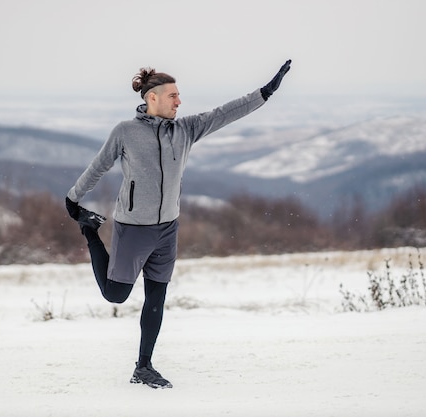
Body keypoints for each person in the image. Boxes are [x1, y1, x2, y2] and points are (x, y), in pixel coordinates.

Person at [65, 60, 292, 389]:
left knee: (156, 298)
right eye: (173, 95)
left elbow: (223, 113)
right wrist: (73, 200)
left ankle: (143, 366)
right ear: (152, 98)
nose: (179, 101)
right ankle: (90, 233)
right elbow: (99, 166)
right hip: (133, 228)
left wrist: (265, 93)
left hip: (167, 229)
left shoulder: (185, 130)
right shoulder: (125, 133)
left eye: (179, 95)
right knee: (115, 295)